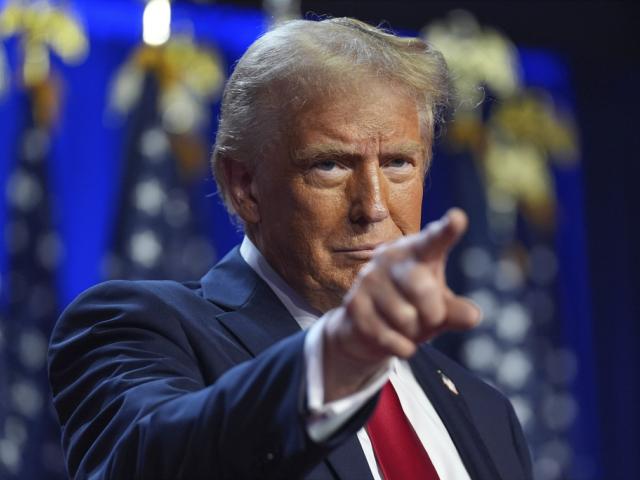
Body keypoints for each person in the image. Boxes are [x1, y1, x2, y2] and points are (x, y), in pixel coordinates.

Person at [48, 17, 532, 480]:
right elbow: (150, 462)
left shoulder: (485, 411)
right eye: (330, 165)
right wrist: (338, 360)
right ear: (245, 186)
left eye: (398, 163)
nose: (374, 207)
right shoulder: (134, 327)